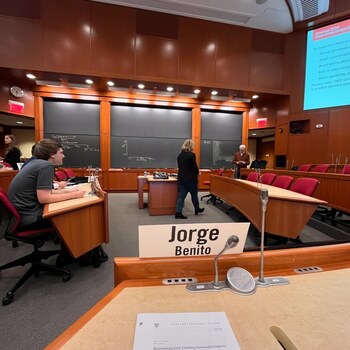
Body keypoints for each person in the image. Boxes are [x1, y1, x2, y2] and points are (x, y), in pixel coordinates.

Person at [8, 138, 85, 230]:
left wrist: (69, 191)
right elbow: (44, 198)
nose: (63, 156)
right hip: (30, 217)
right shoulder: (46, 166)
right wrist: (74, 195)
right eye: (61, 153)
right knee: (78, 214)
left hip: (23, 215)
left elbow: (47, 192)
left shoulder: (36, 163)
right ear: (52, 154)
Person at [175, 139, 204, 219]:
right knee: (194, 195)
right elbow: (194, 167)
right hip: (191, 180)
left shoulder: (180, 156)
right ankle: (197, 209)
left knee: (181, 196)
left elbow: (181, 168)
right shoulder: (191, 155)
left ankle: (178, 212)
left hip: (182, 179)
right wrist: (197, 172)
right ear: (191, 146)